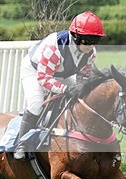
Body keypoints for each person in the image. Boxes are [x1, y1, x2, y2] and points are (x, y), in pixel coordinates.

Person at [13, 11, 104, 160]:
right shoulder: (54, 47)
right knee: (36, 103)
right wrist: (66, 89)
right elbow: (44, 79)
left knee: (81, 97)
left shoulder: (91, 53)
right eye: (87, 40)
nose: (91, 45)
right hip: (35, 71)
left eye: (95, 40)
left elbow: (84, 76)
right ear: (76, 36)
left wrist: (81, 90)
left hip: (62, 73)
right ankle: (21, 143)